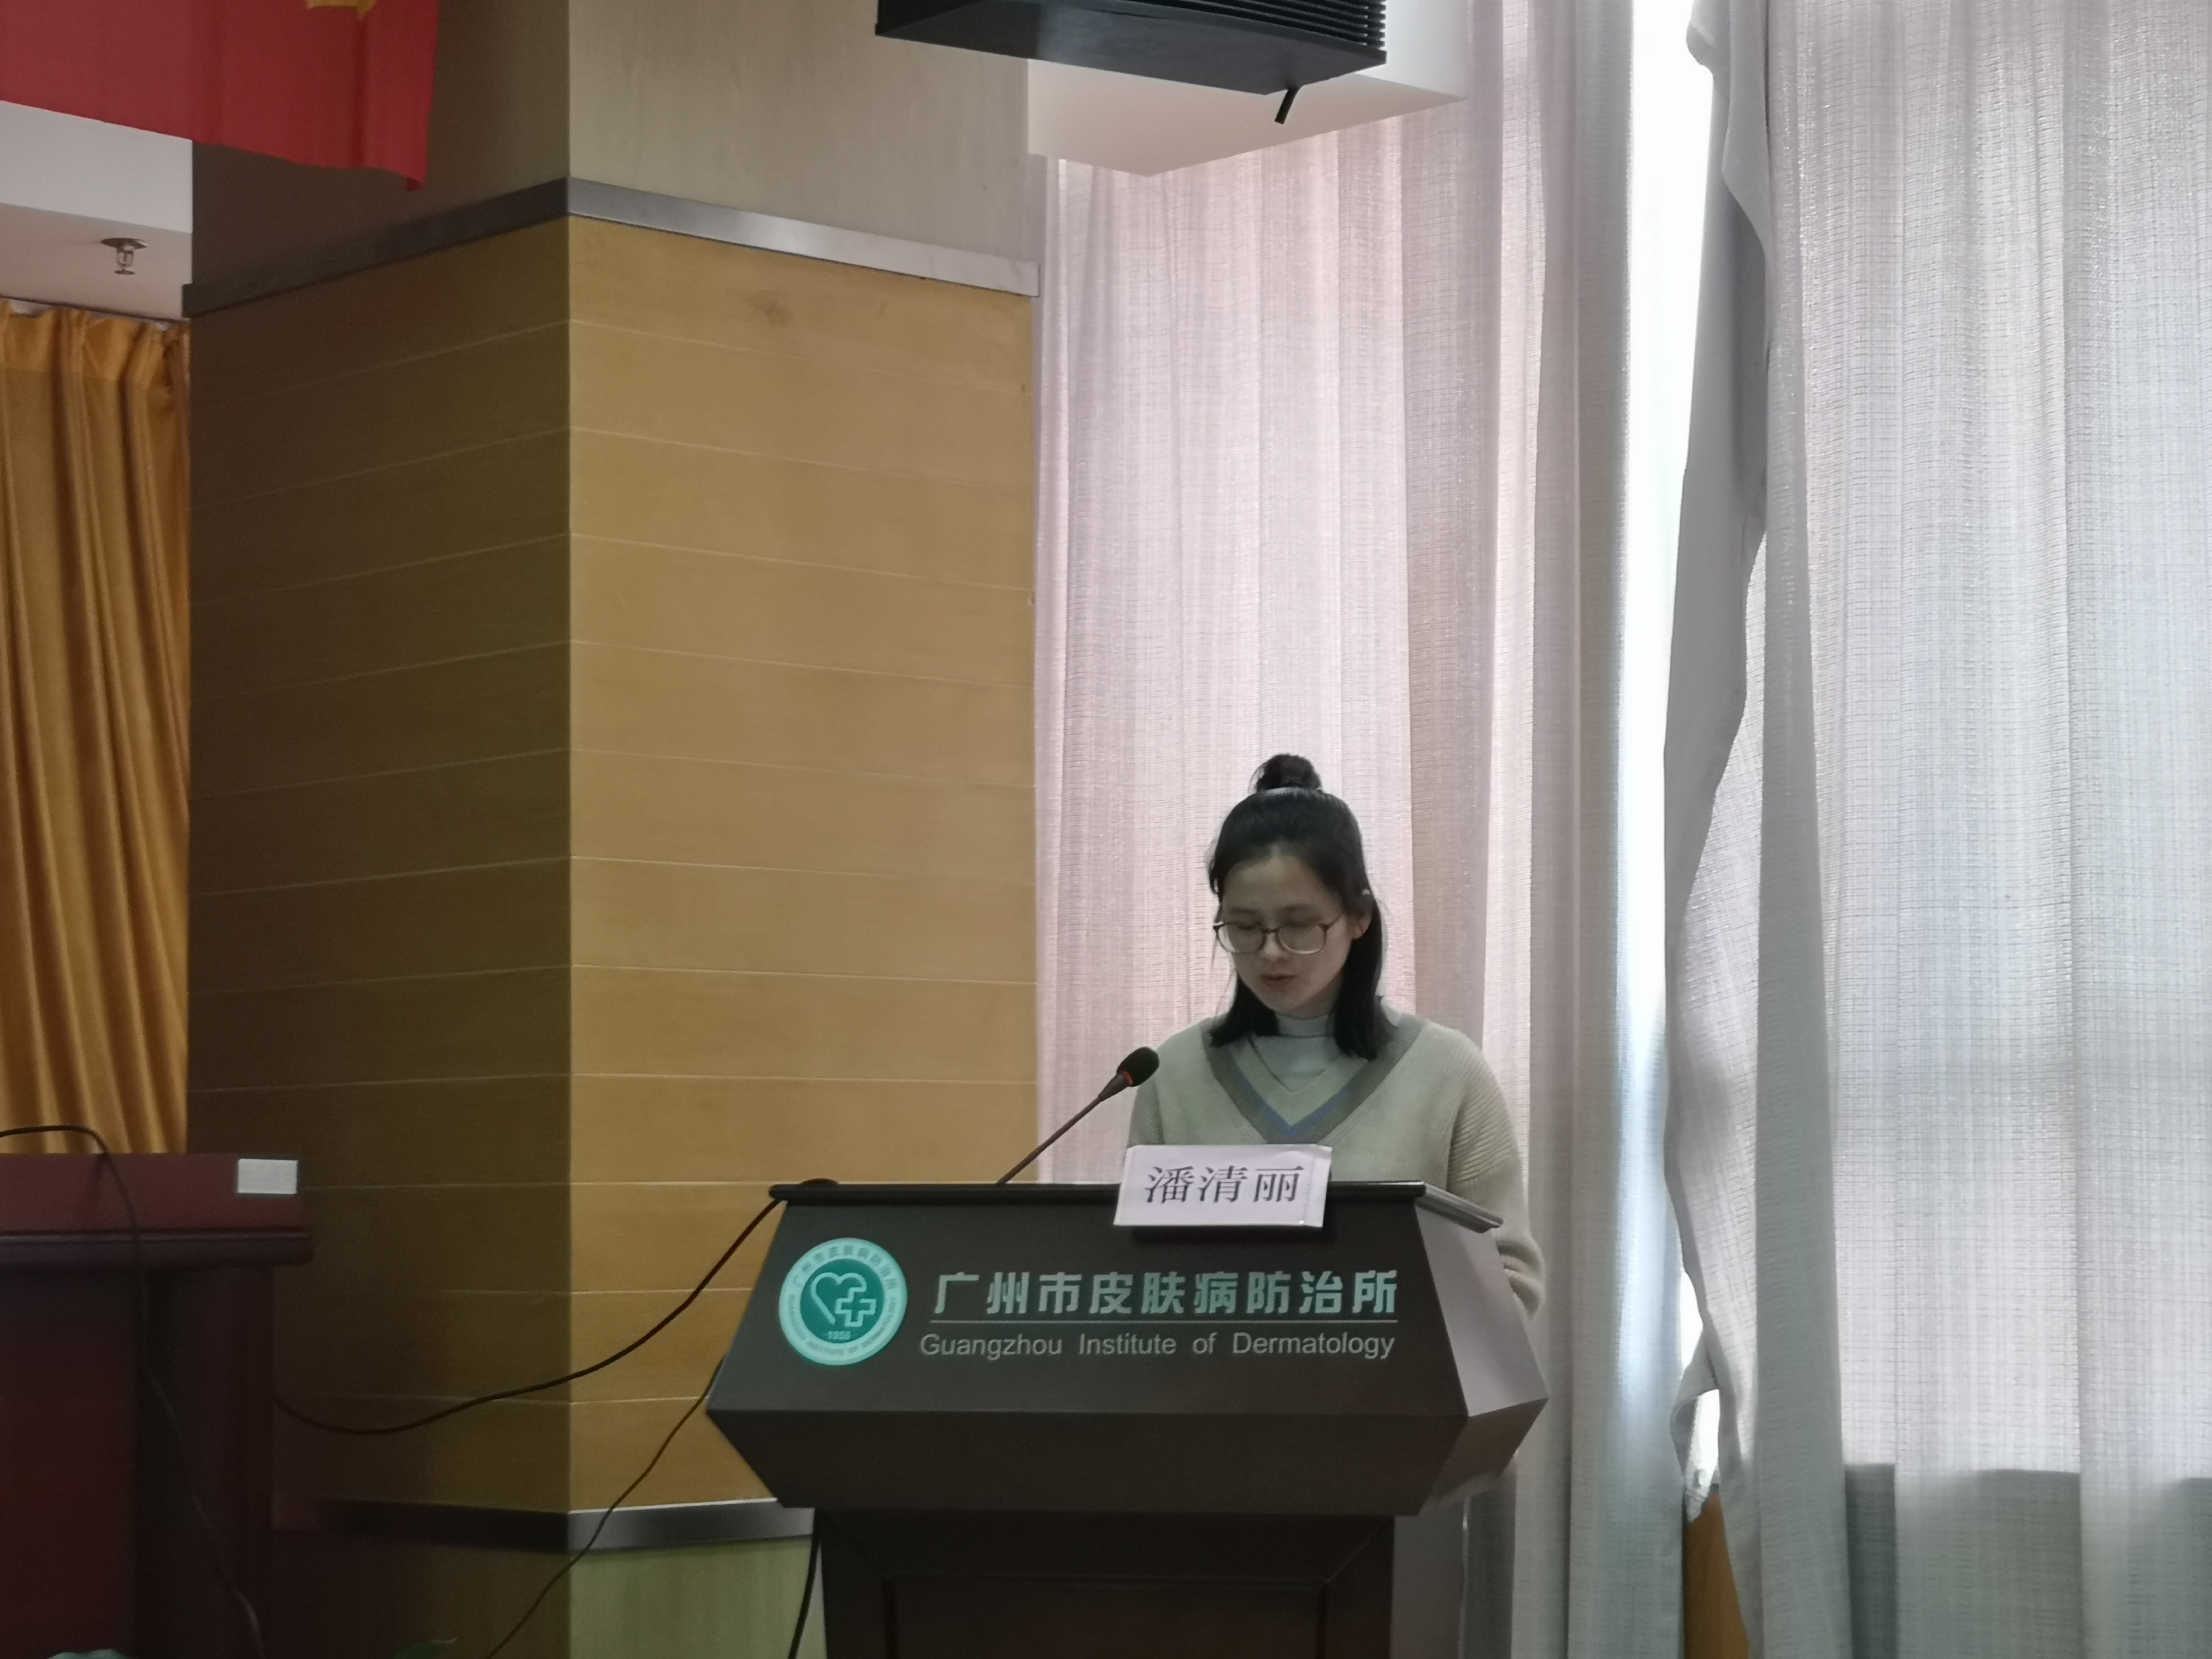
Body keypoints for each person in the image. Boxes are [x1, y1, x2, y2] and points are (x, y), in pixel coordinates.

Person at [1126, 753, 1544, 1316]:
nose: (1270, 952)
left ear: (1359, 916)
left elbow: (1510, 1279)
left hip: (1392, 1372)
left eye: (1299, 925)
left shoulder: (1446, 1073)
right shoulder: (1171, 1075)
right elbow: (1137, 1271)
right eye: (1245, 927)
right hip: (1210, 1371)